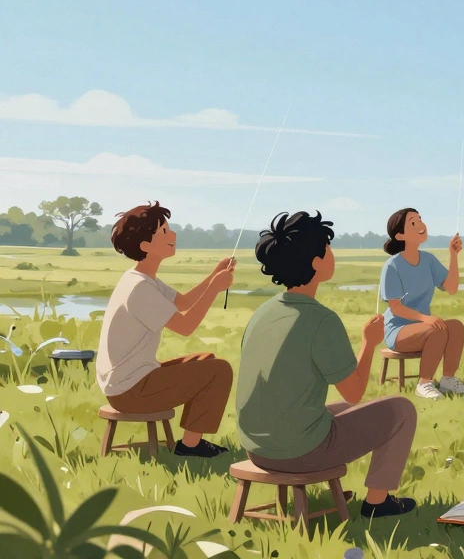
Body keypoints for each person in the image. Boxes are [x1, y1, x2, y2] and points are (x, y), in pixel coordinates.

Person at [237, 211, 417, 518]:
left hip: (256, 448)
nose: (332, 254)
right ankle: (377, 502)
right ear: (316, 262)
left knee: (344, 410)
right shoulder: (321, 320)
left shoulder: (264, 312)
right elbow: (354, 391)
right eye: (328, 248)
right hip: (296, 453)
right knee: (401, 410)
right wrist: (369, 343)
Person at [96, 202, 235, 458]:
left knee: (207, 360)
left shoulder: (143, 279)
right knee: (219, 370)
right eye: (163, 232)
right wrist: (215, 288)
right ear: (144, 245)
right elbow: (186, 326)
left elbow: (184, 302)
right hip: (130, 390)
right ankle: (190, 446)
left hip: (130, 381)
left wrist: (215, 274)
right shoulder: (139, 289)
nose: (173, 235)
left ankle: (190, 442)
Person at [379, 208, 464, 400]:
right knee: (437, 330)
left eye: (420, 219)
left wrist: (453, 255)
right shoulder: (392, 265)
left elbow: (451, 288)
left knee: (455, 327)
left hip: (423, 326)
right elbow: (396, 307)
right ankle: (424, 383)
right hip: (398, 330)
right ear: (400, 235)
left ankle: (448, 379)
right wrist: (425, 319)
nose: (420, 225)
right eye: (413, 222)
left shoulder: (428, 260)